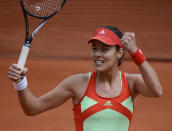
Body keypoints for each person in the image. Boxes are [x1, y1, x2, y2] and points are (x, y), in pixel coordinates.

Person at [8, 26, 162, 131]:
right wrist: (21, 82)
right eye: (94, 49)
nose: (97, 55)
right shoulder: (77, 84)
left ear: (119, 53)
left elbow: (156, 91)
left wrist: (136, 52)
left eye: (105, 49)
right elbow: (33, 108)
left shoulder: (131, 83)